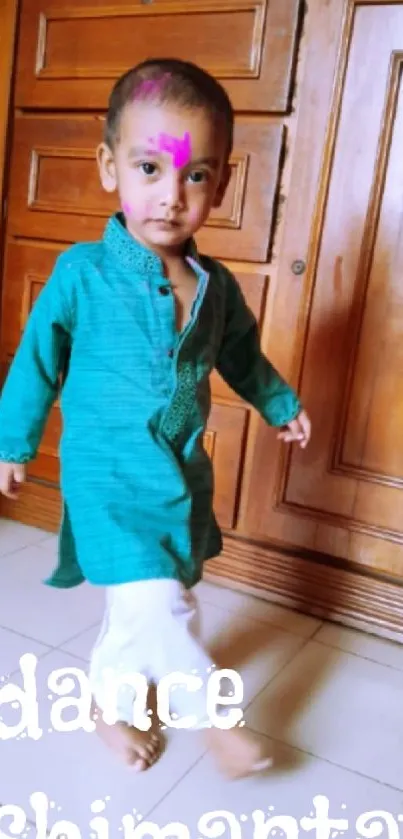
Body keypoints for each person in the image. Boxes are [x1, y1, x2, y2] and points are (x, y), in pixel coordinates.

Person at [0, 58, 311, 778]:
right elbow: (35, 362)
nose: (170, 196)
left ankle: (110, 700)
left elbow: (242, 357)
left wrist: (279, 403)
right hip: (107, 476)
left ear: (221, 183)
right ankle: (216, 721)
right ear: (110, 167)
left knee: (159, 596)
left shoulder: (215, 286)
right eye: (149, 168)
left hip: (176, 475)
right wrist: (13, 441)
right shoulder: (82, 273)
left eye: (194, 175)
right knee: (156, 602)